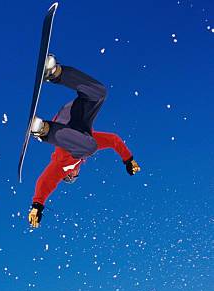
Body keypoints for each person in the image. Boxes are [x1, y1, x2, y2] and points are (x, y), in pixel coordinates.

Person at [28, 55, 141, 228]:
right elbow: (113, 140)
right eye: (76, 175)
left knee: (89, 148)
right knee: (99, 93)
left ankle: (43, 130)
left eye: (71, 177)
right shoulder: (86, 146)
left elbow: (45, 182)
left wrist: (37, 205)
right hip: (76, 117)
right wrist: (128, 159)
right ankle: (56, 72)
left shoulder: (61, 166)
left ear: (68, 175)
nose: (75, 173)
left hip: (61, 128)